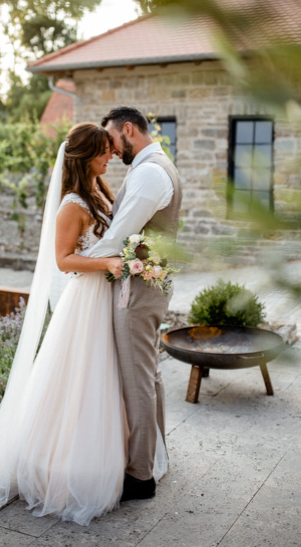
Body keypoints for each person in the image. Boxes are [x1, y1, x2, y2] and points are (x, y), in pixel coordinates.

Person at [0, 122, 168, 530]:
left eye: (111, 150)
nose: (110, 155)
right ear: (84, 157)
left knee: (104, 378)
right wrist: (108, 263)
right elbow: (64, 261)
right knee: (80, 377)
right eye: (103, 151)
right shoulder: (71, 203)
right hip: (85, 300)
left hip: (104, 297)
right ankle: (63, 465)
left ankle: (105, 457)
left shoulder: (99, 192)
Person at [82, 106, 182, 502]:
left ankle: (140, 475)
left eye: (111, 139)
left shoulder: (150, 172)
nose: (111, 148)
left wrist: (77, 265)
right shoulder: (153, 167)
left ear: (128, 130)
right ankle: (154, 456)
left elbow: (118, 236)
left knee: (137, 378)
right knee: (149, 374)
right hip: (145, 286)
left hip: (137, 292)